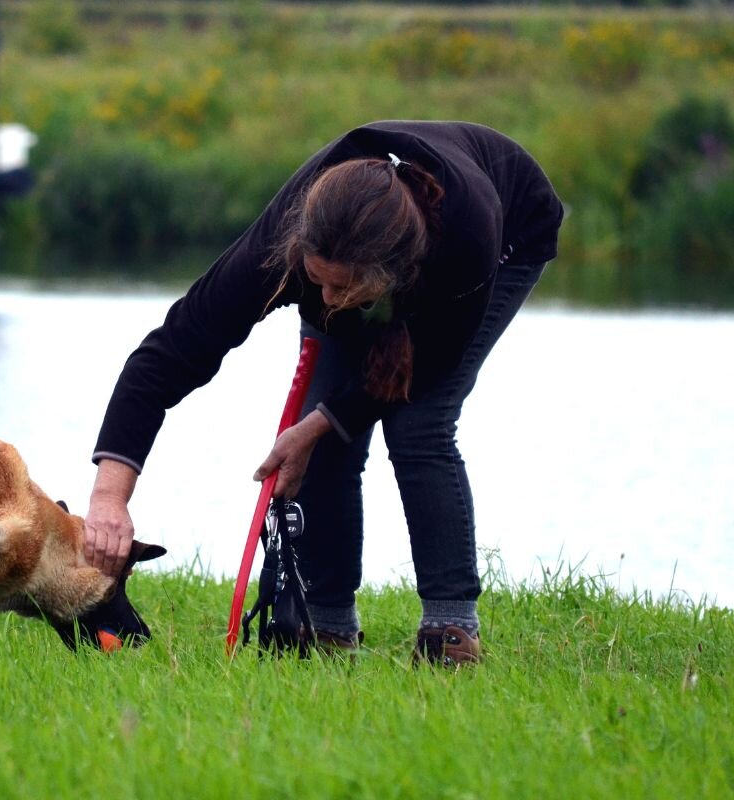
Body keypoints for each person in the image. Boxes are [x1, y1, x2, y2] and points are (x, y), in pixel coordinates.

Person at [83, 121, 564, 666]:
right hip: (367, 257)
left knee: (418, 422)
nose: (329, 300)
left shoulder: (465, 238)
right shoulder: (289, 246)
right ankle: (327, 624)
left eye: (343, 289)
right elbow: (170, 353)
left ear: (390, 277)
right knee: (329, 427)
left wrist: (315, 425)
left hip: (509, 231)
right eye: (318, 282)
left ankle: (450, 628)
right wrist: (109, 498)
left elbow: (427, 364)